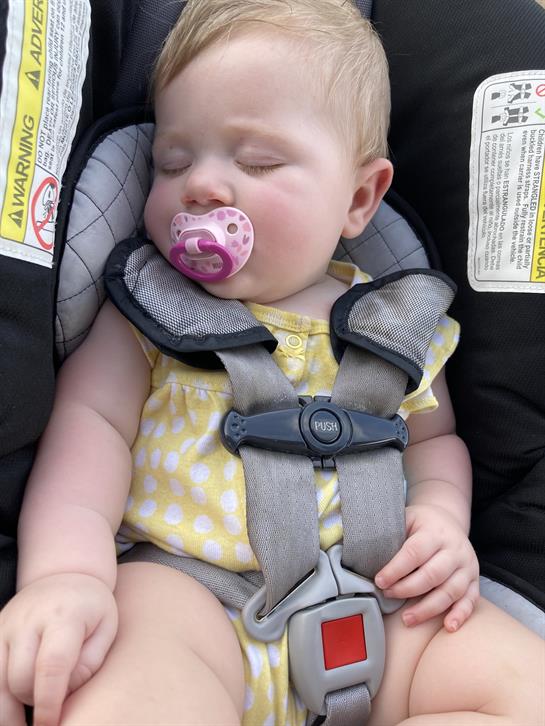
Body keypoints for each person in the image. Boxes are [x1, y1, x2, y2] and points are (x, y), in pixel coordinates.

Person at [0, 1, 543, 725]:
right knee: (134, 687)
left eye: (256, 161)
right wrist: (67, 574)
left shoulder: (398, 324)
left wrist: (441, 519)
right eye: (172, 161)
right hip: (191, 597)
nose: (200, 185)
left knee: (522, 687)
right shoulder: (144, 313)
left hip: (378, 603)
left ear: (358, 197)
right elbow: (88, 432)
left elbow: (435, 443)